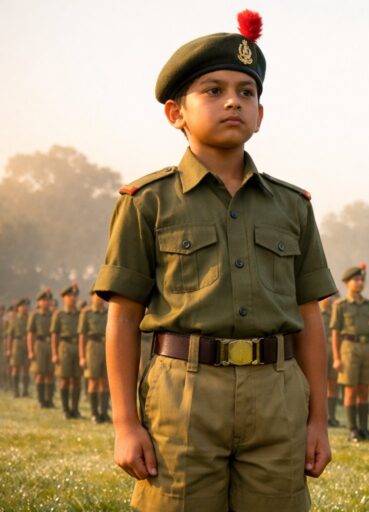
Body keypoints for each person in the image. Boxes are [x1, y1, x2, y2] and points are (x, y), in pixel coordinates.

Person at [92, 10, 336, 510]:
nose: (233, 101)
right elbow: (122, 316)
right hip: (182, 395)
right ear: (175, 113)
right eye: (213, 89)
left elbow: (309, 317)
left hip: (277, 394)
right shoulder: (148, 201)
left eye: (247, 92)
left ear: (260, 115)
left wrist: (318, 421)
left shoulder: (292, 206)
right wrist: (125, 424)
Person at [331, 264, 369, 442]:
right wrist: (336, 357)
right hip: (349, 348)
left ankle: (364, 428)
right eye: (355, 280)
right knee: (350, 390)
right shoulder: (341, 305)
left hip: (366, 347)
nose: (359, 283)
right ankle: (353, 429)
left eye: (361, 280)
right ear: (346, 283)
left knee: (364, 389)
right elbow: (335, 332)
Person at [51, 283, 83, 419]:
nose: (73, 298)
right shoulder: (59, 314)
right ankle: (65, 410)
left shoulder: (81, 314)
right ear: (64, 298)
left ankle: (75, 409)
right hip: (64, 347)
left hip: (78, 347)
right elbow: (54, 335)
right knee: (64, 379)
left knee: (77, 379)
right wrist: (54, 353)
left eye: (75, 296)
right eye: (70, 296)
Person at [79, 288, 110, 423]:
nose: (99, 299)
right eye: (96, 296)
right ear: (91, 297)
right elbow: (82, 336)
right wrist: (82, 356)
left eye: (101, 296)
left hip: (107, 346)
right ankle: (94, 413)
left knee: (105, 381)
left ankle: (103, 412)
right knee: (93, 381)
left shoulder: (109, 312)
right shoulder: (86, 313)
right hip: (92, 347)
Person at [320, 294, 341, 427]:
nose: (330, 300)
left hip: (333, 349)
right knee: (320, 385)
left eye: (332, 297)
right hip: (320, 348)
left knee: (333, 384)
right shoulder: (315, 313)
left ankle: (331, 416)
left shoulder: (336, 314)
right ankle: (321, 416)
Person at [6, 299, 30, 398]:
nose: (25, 308)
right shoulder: (14, 320)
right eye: (23, 306)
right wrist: (9, 349)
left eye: (26, 306)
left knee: (26, 368)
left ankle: (25, 391)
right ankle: (16, 391)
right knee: (16, 368)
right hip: (17, 344)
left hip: (27, 344)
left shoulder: (29, 318)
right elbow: (10, 336)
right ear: (18, 308)